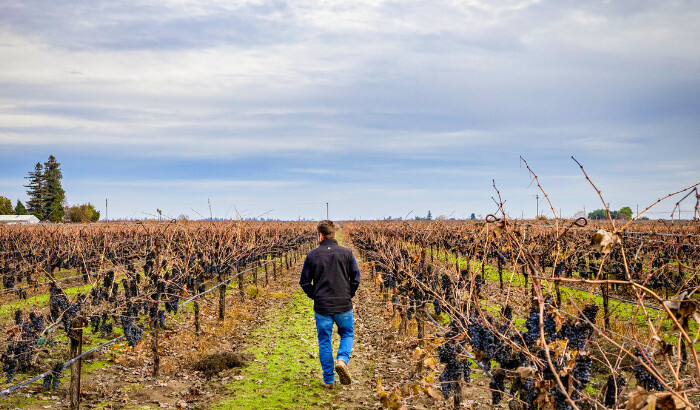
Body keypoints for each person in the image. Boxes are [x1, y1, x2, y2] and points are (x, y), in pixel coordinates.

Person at [299, 220, 361, 389]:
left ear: (320, 235)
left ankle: (328, 380)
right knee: (347, 334)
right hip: (343, 305)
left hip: (322, 307)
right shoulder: (347, 253)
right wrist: (348, 295)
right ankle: (342, 360)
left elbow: (304, 282)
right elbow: (355, 279)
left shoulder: (312, 256)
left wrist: (316, 296)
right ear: (334, 234)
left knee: (324, 341)